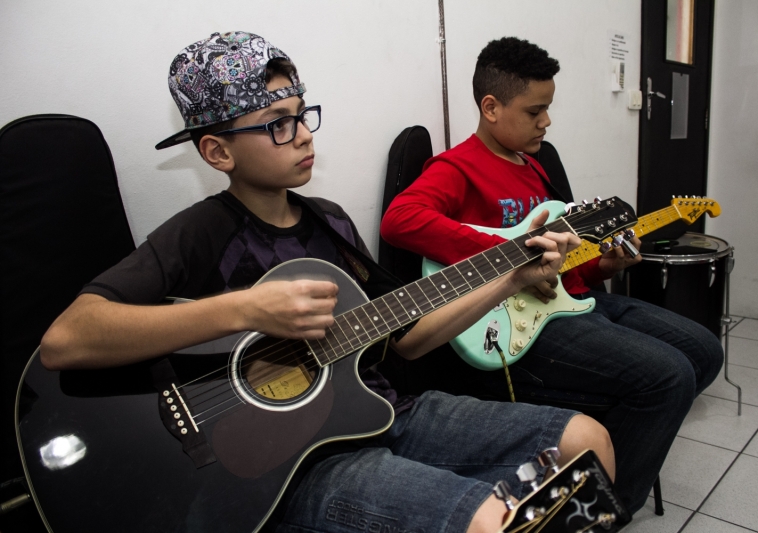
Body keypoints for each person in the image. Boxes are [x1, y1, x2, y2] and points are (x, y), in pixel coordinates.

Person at [39, 32, 614, 532]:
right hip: (297, 462)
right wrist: (247, 311)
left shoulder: (331, 222)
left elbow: (407, 337)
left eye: (302, 114)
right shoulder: (199, 234)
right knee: (492, 520)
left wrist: (511, 278)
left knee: (586, 442)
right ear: (217, 151)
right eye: (277, 125)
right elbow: (66, 340)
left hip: (385, 412)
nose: (304, 135)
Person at [380, 36, 724, 514]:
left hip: (574, 298)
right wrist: (512, 255)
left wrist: (607, 262)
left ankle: (603, 457)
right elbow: (400, 220)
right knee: (669, 378)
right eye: (535, 111)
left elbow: (566, 259)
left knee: (705, 351)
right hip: (520, 323)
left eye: (548, 109)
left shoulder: (538, 167)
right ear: (492, 107)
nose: (546, 121)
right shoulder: (458, 167)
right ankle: (601, 510)